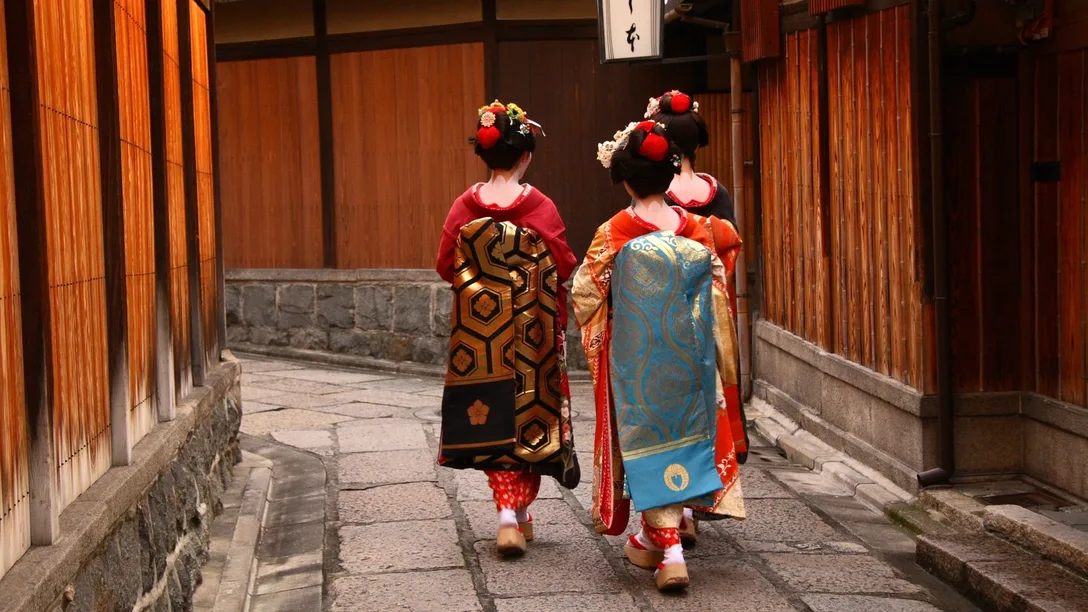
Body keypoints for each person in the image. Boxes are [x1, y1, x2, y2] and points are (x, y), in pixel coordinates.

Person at [573, 120, 746, 592]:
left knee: (647, 445)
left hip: (638, 366)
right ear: (670, 178)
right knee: (689, 438)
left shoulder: (614, 233)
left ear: (626, 181)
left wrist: (611, 328)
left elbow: (586, 294)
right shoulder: (700, 229)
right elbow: (718, 290)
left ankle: (668, 551)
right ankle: (666, 535)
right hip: (692, 364)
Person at [436, 101, 580, 559]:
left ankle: (507, 513)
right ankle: (513, 513)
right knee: (528, 415)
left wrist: (485, 281)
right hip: (532, 335)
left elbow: (445, 265)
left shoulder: (464, 205)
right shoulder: (541, 206)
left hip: (481, 337)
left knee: (489, 414)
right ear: (526, 156)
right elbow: (562, 264)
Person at [649, 90, 750, 546]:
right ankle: (702, 494)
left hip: (665, 310)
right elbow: (727, 249)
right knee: (710, 401)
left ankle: (678, 510)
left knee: (672, 407)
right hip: (709, 309)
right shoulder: (716, 192)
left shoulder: (657, 197)